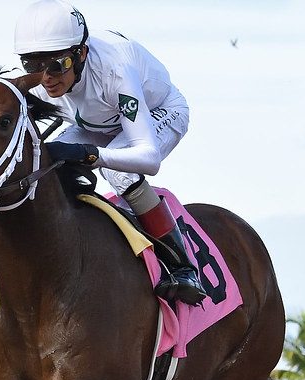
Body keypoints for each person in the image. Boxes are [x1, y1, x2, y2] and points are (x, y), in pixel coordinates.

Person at [13, 0, 205, 305]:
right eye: (33, 65)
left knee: (116, 169)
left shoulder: (114, 71)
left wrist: (91, 154)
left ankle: (182, 266)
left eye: (56, 65)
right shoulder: (41, 79)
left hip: (158, 112)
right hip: (99, 124)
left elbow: (148, 158)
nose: (46, 77)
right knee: (47, 160)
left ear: (82, 54)